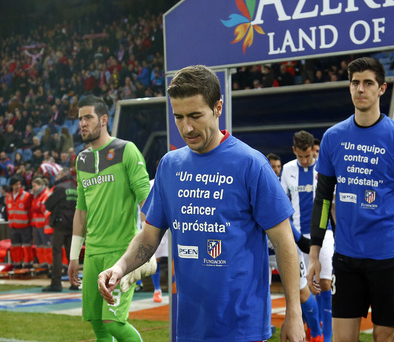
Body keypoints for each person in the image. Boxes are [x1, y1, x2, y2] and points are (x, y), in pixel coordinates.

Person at [97, 65, 304, 341]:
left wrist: (294, 313)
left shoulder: (251, 164)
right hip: (191, 326)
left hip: (244, 328)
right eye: (179, 117)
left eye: (195, 115)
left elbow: (284, 243)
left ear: (218, 108)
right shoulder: (169, 166)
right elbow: (149, 236)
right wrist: (120, 267)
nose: (187, 127)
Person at [307, 57, 394, 342]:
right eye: (355, 82)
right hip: (346, 258)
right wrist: (314, 255)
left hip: (390, 258)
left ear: (382, 88)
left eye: (368, 83)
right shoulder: (333, 138)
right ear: (349, 87)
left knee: (384, 336)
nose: (361, 89)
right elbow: (322, 200)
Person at [67, 95, 150, 341]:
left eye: (88, 117)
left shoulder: (126, 150)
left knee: (113, 323)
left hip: (121, 253)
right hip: (92, 253)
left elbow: (146, 199)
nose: (82, 123)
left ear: (104, 119)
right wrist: (74, 256)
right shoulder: (81, 159)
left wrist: (147, 245)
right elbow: (81, 211)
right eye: (80, 118)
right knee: (98, 326)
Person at [280, 130, 332, 342]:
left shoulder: (324, 168)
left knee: (325, 283)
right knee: (305, 287)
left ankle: (325, 337)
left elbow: (333, 203)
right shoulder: (287, 169)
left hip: (324, 233)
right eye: (300, 156)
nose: (304, 160)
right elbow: (283, 203)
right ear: (294, 151)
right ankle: (315, 328)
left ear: (313, 151)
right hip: (299, 235)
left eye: (308, 156)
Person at [43, 167, 78, 292]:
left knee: (57, 252)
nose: (56, 176)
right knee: (72, 254)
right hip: (73, 224)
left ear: (63, 174)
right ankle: (74, 283)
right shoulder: (75, 189)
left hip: (60, 223)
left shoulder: (59, 188)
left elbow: (48, 204)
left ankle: (56, 283)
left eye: (58, 174)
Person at [6, 176, 33, 268]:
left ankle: (28, 264)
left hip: (25, 226)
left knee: (27, 247)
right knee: (15, 246)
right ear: (11, 185)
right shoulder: (8, 196)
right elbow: (8, 211)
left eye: (19, 184)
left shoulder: (26, 196)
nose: (18, 186)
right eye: (16, 184)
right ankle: (17, 264)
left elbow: (30, 211)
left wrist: (30, 223)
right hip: (13, 226)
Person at [30, 177, 52, 270]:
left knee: (47, 246)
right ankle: (43, 265)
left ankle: (50, 265)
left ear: (40, 185)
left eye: (34, 186)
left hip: (44, 225)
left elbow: (39, 209)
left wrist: (36, 209)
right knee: (39, 247)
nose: (33, 188)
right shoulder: (36, 196)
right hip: (37, 225)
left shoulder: (45, 195)